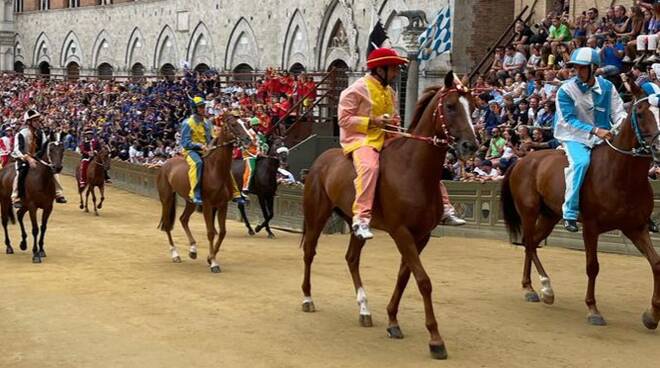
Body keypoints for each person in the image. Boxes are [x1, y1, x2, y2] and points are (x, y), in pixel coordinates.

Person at [337, 47, 407, 240]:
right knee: (369, 168)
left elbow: (395, 118)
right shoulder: (356, 89)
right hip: (361, 139)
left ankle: (444, 206)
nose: (396, 73)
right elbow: (344, 120)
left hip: (388, 138)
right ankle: (360, 218)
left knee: (416, 157)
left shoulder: (390, 92)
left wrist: (394, 126)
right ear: (380, 69)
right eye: (393, 69)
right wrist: (373, 121)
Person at [554, 48, 626, 232]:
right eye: (575, 68)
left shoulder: (608, 87)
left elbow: (618, 112)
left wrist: (620, 127)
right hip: (573, 136)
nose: (577, 72)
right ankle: (569, 212)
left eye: (582, 68)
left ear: (593, 68)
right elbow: (569, 120)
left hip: (603, 134)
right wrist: (595, 130)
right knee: (581, 163)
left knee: (626, 160)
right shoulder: (565, 90)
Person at [11, 110, 67, 208]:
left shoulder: (41, 133)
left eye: (38, 120)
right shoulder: (21, 134)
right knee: (21, 173)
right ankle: (16, 197)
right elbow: (18, 149)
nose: (38, 122)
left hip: (37, 158)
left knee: (52, 171)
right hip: (23, 158)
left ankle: (58, 194)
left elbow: (44, 147)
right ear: (29, 122)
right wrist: (28, 158)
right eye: (35, 121)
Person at [180, 96, 213, 205]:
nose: (204, 109)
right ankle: (194, 193)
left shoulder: (208, 122)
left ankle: (236, 193)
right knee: (197, 163)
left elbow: (211, 138)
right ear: (195, 109)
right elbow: (185, 143)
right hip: (191, 151)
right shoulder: (187, 123)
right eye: (200, 107)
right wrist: (199, 146)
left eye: (204, 106)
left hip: (206, 150)